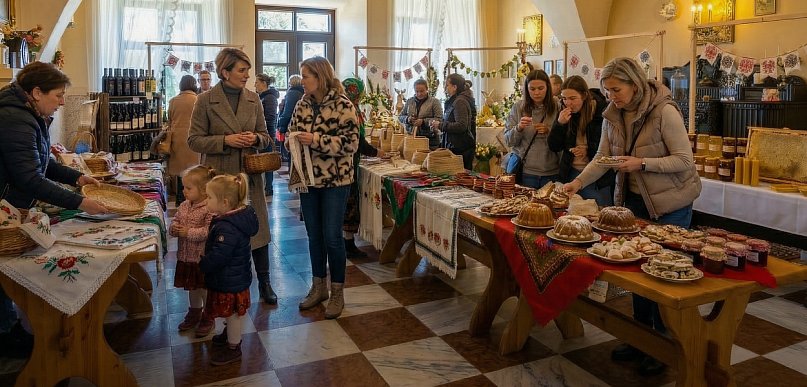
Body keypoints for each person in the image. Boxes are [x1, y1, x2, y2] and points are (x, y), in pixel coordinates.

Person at [563, 57, 701, 376]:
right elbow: (603, 158)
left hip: (671, 205)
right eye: (608, 90)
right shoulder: (614, 115)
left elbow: (684, 160)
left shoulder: (664, 111)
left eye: (617, 89)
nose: (612, 96)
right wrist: (577, 183)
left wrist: (641, 164)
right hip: (634, 203)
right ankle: (642, 339)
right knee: (638, 273)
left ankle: (666, 344)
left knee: (662, 276)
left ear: (635, 84)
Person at [0, 61, 107, 359]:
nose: (62, 102)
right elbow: (29, 177)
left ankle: (9, 328)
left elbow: (39, 162)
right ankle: (6, 335)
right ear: (36, 92)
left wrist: (77, 177)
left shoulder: (26, 114)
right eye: (58, 95)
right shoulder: (15, 118)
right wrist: (80, 201)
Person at [188, 48, 277, 305]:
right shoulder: (205, 100)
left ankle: (265, 283)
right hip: (219, 180)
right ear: (224, 72)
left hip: (249, 178)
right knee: (220, 234)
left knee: (258, 230)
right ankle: (218, 288)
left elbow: (266, 136)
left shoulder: (254, 99)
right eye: (241, 70)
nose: (247, 75)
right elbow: (193, 140)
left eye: (248, 70)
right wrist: (226, 140)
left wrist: (255, 139)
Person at [288, 56, 359, 319]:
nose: (302, 80)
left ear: (320, 77)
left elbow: (351, 145)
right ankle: (318, 287)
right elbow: (292, 131)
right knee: (314, 236)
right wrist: (292, 142)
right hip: (309, 181)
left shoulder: (343, 105)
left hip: (335, 182)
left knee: (332, 236)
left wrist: (315, 139)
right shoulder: (301, 104)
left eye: (306, 75)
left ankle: (338, 292)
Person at [199, 173, 257, 366]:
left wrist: (205, 263)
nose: (206, 201)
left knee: (232, 315)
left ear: (224, 202)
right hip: (234, 277)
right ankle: (227, 335)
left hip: (230, 280)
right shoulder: (235, 218)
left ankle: (234, 346)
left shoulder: (227, 227)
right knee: (228, 313)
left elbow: (220, 255)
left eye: (209, 197)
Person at [548, 75, 614, 206]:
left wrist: (587, 150)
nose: (568, 103)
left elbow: (610, 149)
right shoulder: (564, 111)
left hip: (597, 178)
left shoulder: (602, 112)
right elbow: (554, 146)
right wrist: (559, 124)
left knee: (597, 215)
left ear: (584, 95)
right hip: (571, 172)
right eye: (564, 98)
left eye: (573, 98)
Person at [169, 165, 215, 337]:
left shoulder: (210, 208)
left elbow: (208, 232)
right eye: (184, 187)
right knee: (192, 287)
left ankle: (208, 315)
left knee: (203, 288)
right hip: (186, 256)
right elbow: (176, 219)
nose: (184, 191)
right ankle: (195, 312)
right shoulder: (184, 205)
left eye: (189, 188)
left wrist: (188, 232)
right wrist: (174, 228)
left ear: (204, 190)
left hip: (201, 257)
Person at [342, 77, 383, 259]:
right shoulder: (351, 109)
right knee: (349, 203)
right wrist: (376, 152)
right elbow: (358, 141)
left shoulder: (342, 106)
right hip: (348, 164)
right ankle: (348, 244)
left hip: (345, 162)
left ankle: (344, 241)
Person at [503, 69, 560, 188]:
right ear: (526, 89)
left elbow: (564, 139)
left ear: (548, 88)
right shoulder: (519, 107)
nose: (537, 93)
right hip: (526, 171)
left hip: (551, 171)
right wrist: (518, 128)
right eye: (532, 89)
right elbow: (508, 141)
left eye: (541, 88)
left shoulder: (557, 106)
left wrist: (549, 131)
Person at [167, 75, 202, 206]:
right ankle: (194, 200)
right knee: (195, 171)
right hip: (194, 138)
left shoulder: (173, 101)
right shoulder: (198, 100)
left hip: (177, 139)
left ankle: (180, 199)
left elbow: (169, 121)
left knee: (180, 172)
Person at [430, 73, 475, 169]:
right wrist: (438, 125)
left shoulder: (460, 102)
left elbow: (461, 125)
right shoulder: (455, 101)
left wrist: (441, 125)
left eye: (447, 85)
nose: (445, 88)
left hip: (460, 148)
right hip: (455, 146)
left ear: (454, 87)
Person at [398, 78, 442, 149]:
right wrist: (408, 119)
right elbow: (400, 116)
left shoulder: (434, 102)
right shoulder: (410, 101)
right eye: (417, 91)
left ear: (427, 89)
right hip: (412, 137)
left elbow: (439, 119)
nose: (419, 94)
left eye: (422, 91)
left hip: (430, 140)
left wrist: (423, 122)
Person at [254, 73, 279, 196]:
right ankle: (265, 187)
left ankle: (268, 188)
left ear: (263, 83)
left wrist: (266, 135)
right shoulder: (263, 97)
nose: (255, 85)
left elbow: (270, 118)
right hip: (264, 134)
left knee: (267, 163)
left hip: (267, 134)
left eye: (257, 83)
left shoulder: (269, 98)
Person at [277, 75, 303, 163]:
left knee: (290, 154)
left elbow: (288, 112)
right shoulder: (302, 92)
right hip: (299, 125)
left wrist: (282, 127)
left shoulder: (292, 93)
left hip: (290, 125)